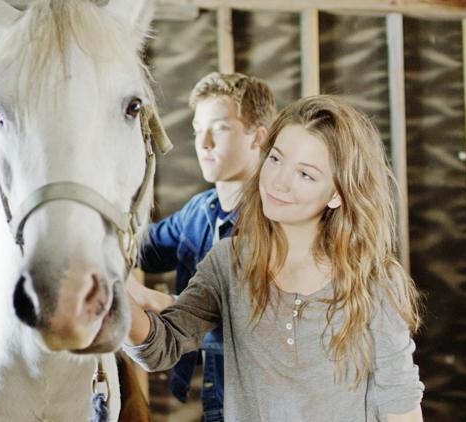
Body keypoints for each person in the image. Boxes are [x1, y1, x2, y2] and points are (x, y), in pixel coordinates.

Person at [125, 95, 425, 421]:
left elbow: (400, 404)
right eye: (276, 159)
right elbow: (161, 347)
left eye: (305, 174)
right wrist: (113, 296)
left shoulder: (374, 280)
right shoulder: (228, 263)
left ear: (337, 194)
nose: (278, 181)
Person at [127, 72, 276, 420]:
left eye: (220, 128)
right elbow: (140, 250)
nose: (203, 142)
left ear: (258, 137)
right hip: (218, 401)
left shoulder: (277, 221)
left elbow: (260, 326)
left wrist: (162, 303)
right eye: (197, 129)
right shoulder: (199, 211)